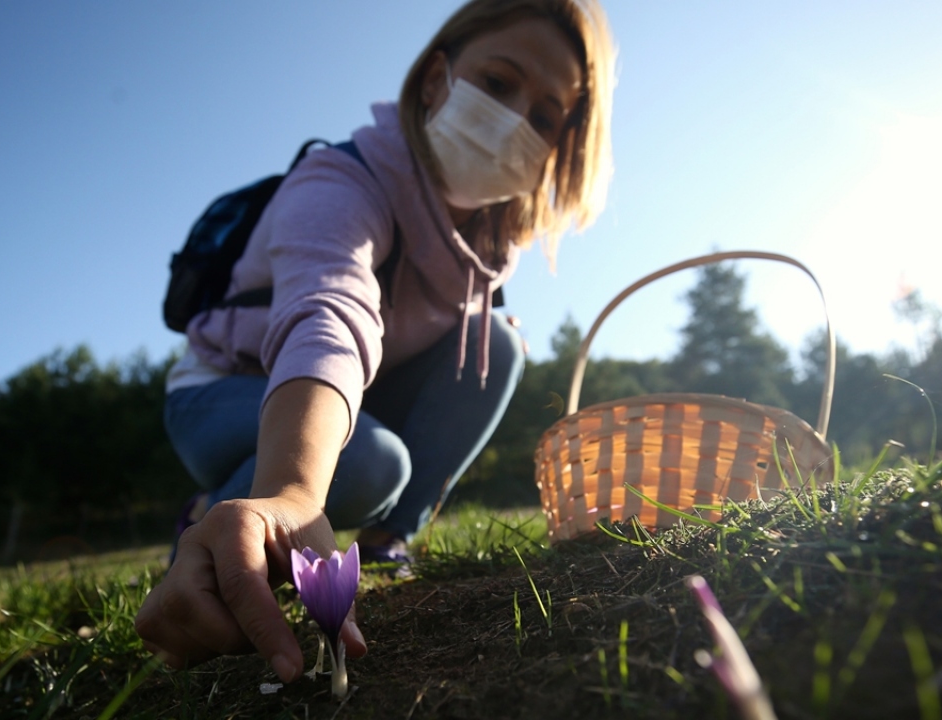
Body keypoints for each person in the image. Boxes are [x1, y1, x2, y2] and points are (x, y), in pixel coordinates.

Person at [134, 0, 615, 685]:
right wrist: (294, 489)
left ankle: (391, 541)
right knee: (364, 462)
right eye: (498, 82)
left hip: (350, 386)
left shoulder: (488, 244)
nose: (514, 120)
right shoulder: (341, 180)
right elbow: (328, 312)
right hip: (223, 390)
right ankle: (213, 519)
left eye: (545, 115)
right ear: (435, 82)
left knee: (497, 341)